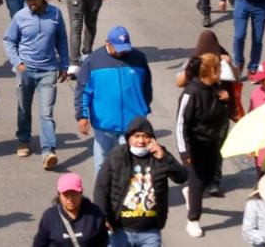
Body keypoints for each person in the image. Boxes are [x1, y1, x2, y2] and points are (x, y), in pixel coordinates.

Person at [5, 0, 70, 169]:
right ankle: (24, 140)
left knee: (46, 113)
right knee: (23, 108)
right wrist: (18, 63)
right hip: (26, 71)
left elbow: (62, 41)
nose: (31, 2)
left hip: (48, 71)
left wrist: (64, 64)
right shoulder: (20, 16)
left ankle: (48, 151)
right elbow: (9, 41)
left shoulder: (55, 14)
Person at [95, 115, 187, 246]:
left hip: (150, 232)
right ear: (129, 138)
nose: (141, 140)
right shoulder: (117, 155)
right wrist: (102, 216)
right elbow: (101, 187)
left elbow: (182, 177)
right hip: (120, 230)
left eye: (145, 136)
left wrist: (164, 158)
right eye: (137, 136)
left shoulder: (160, 154)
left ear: (152, 139)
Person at [75, 26, 153, 175]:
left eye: (125, 48)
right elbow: (83, 91)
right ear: (108, 43)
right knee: (102, 165)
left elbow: (146, 86)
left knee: (132, 164)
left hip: (133, 125)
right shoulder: (93, 61)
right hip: (104, 125)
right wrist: (82, 116)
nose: (122, 52)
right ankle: (102, 196)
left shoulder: (139, 58)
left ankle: (129, 195)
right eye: (118, 48)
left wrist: (144, 108)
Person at [176, 53, 231, 238]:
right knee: (198, 182)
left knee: (208, 179)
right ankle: (193, 219)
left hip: (212, 144)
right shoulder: (190, 93)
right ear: (211, 71)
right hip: (194, 147)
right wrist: (185, 154)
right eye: (219, 68)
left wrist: (225, 101)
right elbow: (180, 126)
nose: (222, 71)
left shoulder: (216, 87)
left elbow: (221, 115)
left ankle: (190, 190)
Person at [32, 173, 109, 247]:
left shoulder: (95, 214)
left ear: (81, 193)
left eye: (74, 194)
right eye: (66, 195)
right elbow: (39, 243)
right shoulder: (49, 216)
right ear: (59, 195)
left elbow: (102, 241)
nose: (70, 199)